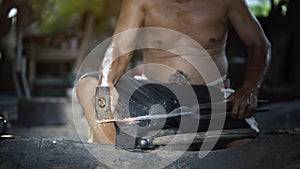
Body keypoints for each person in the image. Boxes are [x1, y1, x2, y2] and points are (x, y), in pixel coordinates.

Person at [76, 0, 271, 146]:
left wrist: (250, 89)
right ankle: (113, 162)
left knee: (245, 147)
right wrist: (106, 82)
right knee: (90, 87)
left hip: (210, 98)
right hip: (151, 94)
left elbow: (259, 46)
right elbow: (118, 48)